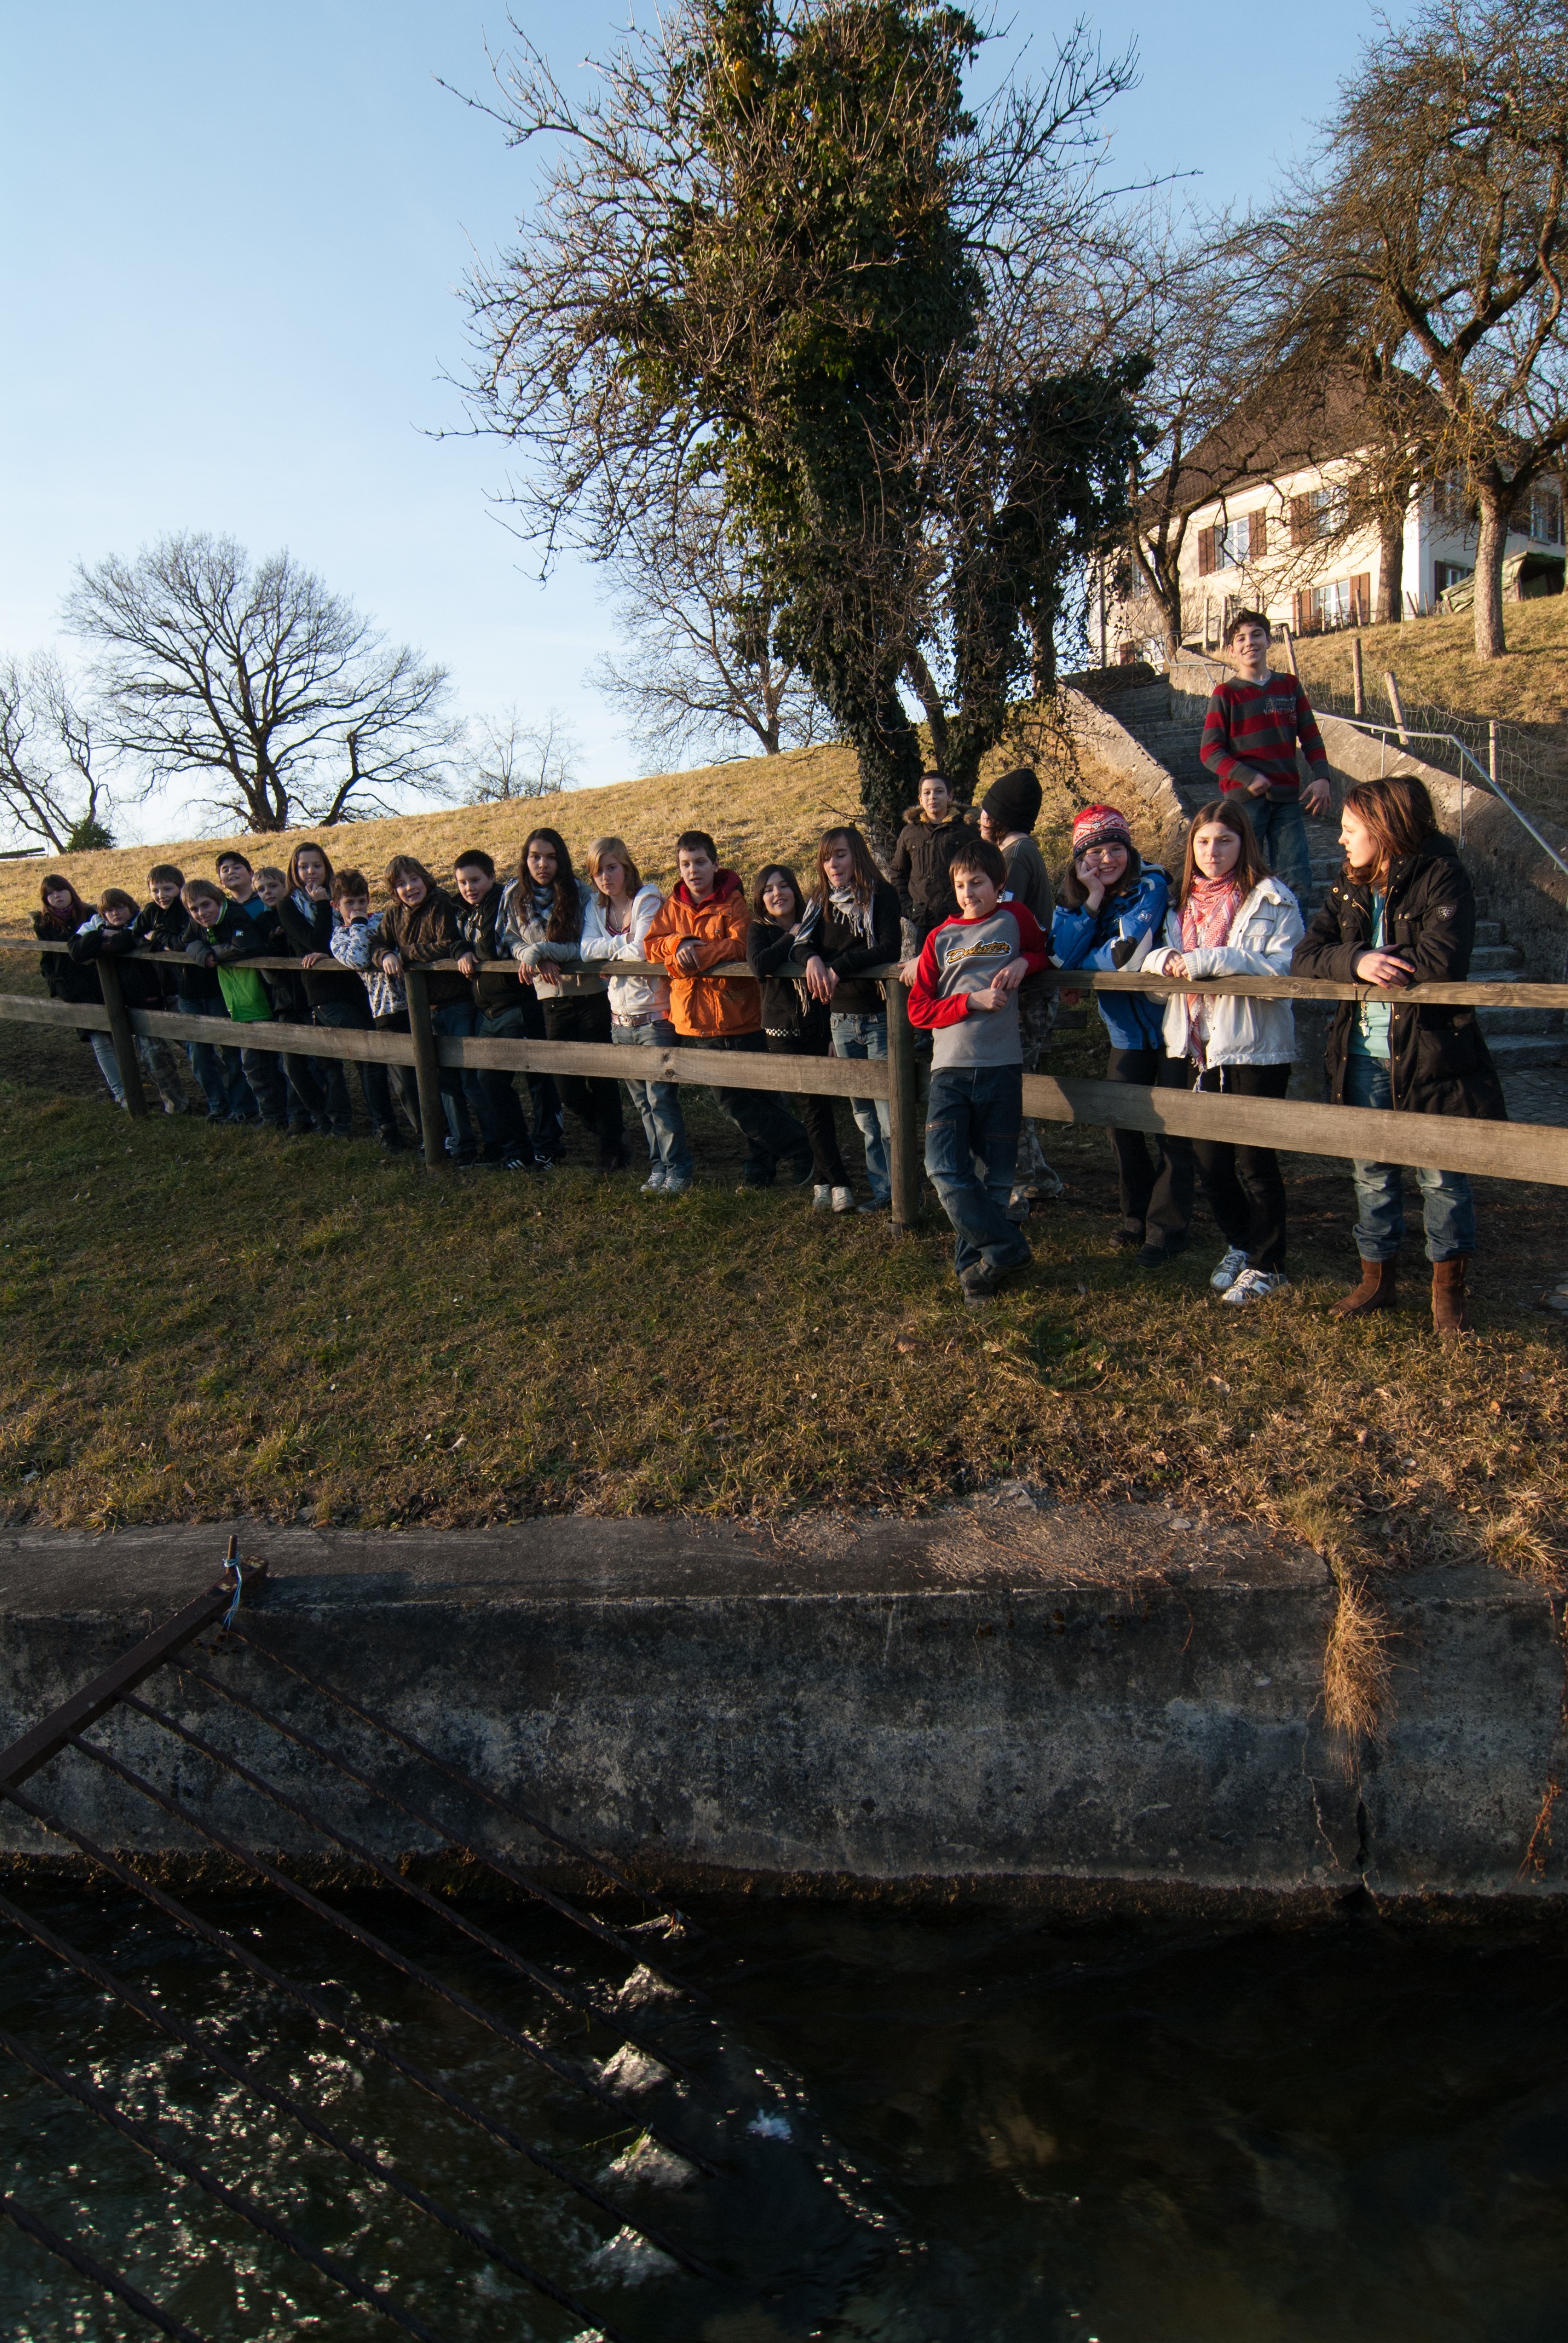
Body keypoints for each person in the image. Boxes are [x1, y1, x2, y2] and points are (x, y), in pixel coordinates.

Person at [1292, 773, 1505, 1338]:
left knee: (1442, 1178)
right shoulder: (1348, 885)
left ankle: (1448, 1295)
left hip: (1431, 1054)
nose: (1341, 840)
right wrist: (1357, 960)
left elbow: (1442, 960)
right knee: (1372, 1173)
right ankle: (1377, 1281)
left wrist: (1368, 958)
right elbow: (1306, 955)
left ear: (1383, 829)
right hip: (1361, 1054)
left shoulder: (1442, 875)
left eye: (1350, 829)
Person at [1141, 800, 1302, 1303]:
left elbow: (1283, 971)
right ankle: (1241, 1242)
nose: (1213, 852)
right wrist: (1165, 959)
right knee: (1210, 1161)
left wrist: (1208, 960)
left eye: (1225, 841)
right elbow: (1153, 971)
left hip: (1254, 1048)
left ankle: (1268, 1263)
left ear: (1244, 843)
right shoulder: (1180, 904)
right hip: (1197, 1047)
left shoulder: (1272, 899)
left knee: (1255, 1161)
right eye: (1204, 841)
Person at [907, 837, 1052, 1304]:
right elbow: (918, 1009)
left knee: (995, 1180)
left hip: (1001, 1068)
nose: (968, 893)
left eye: (978, 883)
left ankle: (978, 1275)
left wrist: (1023, 962)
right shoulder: (940, 938)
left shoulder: (1015, 919)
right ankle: (1009, 1248)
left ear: (999, 883)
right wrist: (971, 1000)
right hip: (950, 1071)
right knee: (942, 1167)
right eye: (960, 885)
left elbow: (1045, 952)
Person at [1051, 804, 1191, 1267]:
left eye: (1115, 849)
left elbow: (1124, 957)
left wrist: (1083, 968)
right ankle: (1135, 1217)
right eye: (1094, 853)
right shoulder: (1077, 896)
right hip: (1125, 1035)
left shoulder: (1152, 884)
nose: (1107, 860)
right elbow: (1057, 959)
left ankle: (1167, 1229)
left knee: (1174, 1131)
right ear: (1079, 859)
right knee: (1121, 1126)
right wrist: (1091, 901)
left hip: (1172, 1031)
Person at [645, 829, 814, 1190]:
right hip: (698, 1019)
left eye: (700, 862)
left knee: (756, 1098)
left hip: (739, 1015)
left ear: (715, 864)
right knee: (735, 1102)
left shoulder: (733, 903)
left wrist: (696, 957)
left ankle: (774, 1163)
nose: (693, 871)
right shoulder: (672, 907)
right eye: (685, 864)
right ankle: (798, 1151)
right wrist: (678, 944)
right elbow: (652, 945)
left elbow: (740, 946)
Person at [508, 828, 628, 1174]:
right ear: (526, 860)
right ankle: (613, 1135)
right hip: (552, 1001)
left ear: (561, 859)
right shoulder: (516, 898)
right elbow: (510, 939)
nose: (542, 864)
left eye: (550, 857)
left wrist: (543, 951)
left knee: (601, 1077)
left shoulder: (581, 894)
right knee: (566, 1086)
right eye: (535, 857)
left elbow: (585, 947)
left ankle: (610, 1150)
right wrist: (530, 954)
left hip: (589, 995)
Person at [581, 834, 693, 1195]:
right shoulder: (596, 908)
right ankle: (658, 1166)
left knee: (661, 1099)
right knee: (642, 1103)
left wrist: (609, 957)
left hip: (654, 1017)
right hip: (620, 1020)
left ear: (626, 867)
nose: (606, 877)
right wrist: (620, 948)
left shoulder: (648, 899)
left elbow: (645, 949)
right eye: (598, 871)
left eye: (612, 868)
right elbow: (586, 951)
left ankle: (678, 1169)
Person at [1200, 608, 1332, 904]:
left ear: (1269, 640)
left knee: (1297, 877)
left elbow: (1311, 737)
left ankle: (1295, 933)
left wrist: (1323, 777)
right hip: (1243, 804)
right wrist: (1247, 777)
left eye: (1256, 635)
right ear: (1231, 650)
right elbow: (1210, 752)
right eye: (1241, 638)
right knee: (1243, 877)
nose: (1250, 642)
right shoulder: (1226, 694)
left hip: (1287, 800)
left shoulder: (1289, 686)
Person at [978, 765, 1065, 1210]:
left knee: (1007, 1084)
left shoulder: (1013, 857)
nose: (980, 818)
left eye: (988, 811)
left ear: (1004, 816)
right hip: (1024, 988)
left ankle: (1014, 1184)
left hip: (1023, 993)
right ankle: (1037, 1176)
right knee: (1013, 1081)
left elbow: (998, 922)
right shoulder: (1021, 852)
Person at [802, 825, 901, 1214]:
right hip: (840, 1020)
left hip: (878, 1017)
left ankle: (902, 1192)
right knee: (864, 1117)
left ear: (857, 855)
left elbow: (889, 947)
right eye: (827, 858)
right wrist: (812, 958)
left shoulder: (882, 895)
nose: (833, 864)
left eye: (840, 855)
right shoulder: (820, 902)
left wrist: (839, 966)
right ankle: (882, 1191)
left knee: (889, 1115)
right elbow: (801, 944)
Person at [748, 863, 854, 1212]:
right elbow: (759, 965)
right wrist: (791, 935)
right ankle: (839, 1183)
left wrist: (833, 1033)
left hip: (817, 1028)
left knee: (819, 1108)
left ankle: (823, 1183)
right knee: (811, 1108)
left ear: (795, 890)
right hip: (781, 1034)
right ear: (761, 898)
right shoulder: (759, 929)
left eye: (783, 886)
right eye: (768, 889)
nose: (777, 894)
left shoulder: (817, 924)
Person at [371, 855, 481, 1167]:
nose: (409, 888)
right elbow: (376, 943)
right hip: (423, 1010)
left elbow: (447, 944)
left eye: (414, 880)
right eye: (401, 884)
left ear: (425, 879)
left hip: (456, 1003)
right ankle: (460, 1142)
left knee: (468, 1076)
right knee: (442, 1080)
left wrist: (404, 953)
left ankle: (494, 1142)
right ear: (393, 891)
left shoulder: (440, 904)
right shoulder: (394, 915)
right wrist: (385, 955)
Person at [181, 876, 292, 1128]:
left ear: (219, 900)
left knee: (270, 1062)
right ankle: (273, 1117)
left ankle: (285, 1116)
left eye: (206, 905)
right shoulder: (199, 923)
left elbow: (245, 945)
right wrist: (202, 953)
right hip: (239, 999)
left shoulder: (235, 916)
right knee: (254, 1064)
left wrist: (215, 953)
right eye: (194, 909)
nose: (201, 913)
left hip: (261, 995)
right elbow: (187, 941)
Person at [67, 886, 189, 1112]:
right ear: (102, 914)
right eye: (109, 910)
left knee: (197, 1047)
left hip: (168, 996)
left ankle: (225, 1098)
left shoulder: (144, 919)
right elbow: (76, 950)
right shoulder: (96, 926)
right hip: (138, 1005)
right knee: (155, 1059)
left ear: (131, 906)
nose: (115, 914)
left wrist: (109, 941)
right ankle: (177, 1107)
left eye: (120, 908)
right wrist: (102, 935)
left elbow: (129, 940)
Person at [452, 848, 535, 1170]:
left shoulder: (503, 903)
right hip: (487, 1010)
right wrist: (461, 948)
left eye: (475, 880)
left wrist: (469, 947)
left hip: (514, 1003)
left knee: (524, 1079)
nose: (468, 888)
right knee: (488, 1081)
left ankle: (528, 1150)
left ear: (491, 877)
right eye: (462, 883)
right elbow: (451, 939)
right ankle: (512, 1149)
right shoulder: (463, 910)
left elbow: (491, 947)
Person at [267, 844, 356, 1139]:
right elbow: (314, 942)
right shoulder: (288, 905)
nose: (310, 872)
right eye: (303, 866)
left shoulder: (338, 897)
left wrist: (325, 903)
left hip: (342, 987)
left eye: (317, 865)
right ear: (294, 870)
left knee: (331, 1062)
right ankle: (321, 1115)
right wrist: (321, 905)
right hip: (303, 992)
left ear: (326, 867)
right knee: (296, 1065)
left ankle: (341, 1120)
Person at [327, 867, 421, 1145]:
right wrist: (357, 924)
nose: (357, 908)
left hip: (417, 1002)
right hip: (386, 1009)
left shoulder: (382, 920)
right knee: (405, 1080)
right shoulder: (340, 937)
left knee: (432, 1072)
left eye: (362, 901)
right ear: (336, 906)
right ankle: (425, 1135)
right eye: (350, 903)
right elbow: (357, 958)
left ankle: (450, 1134)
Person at [32, 874, 114, 1099]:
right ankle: (123, 1094)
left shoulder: (91, 914)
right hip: (74, 989)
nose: (56, 896)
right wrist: (56, 984)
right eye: (50, 894)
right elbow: (47, 959)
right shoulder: (44, 924)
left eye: (60, 890)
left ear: (70, 891)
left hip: (103, 983)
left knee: (118, 1036)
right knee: (99, 1039)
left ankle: (130, 1085)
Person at [890, 773, 975, 966]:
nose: (933, 797)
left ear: (950, 796)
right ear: (920, 799)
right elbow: (898, 874)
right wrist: (909, 908)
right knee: (926, 973)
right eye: (927, 793)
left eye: (939, 791)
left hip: (961, 918)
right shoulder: (910, 833)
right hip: (924, 922)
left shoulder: (966, 831)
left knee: (960, 973)